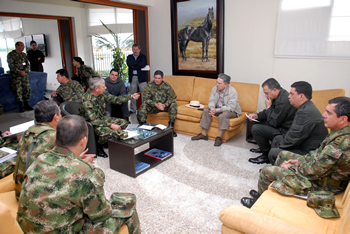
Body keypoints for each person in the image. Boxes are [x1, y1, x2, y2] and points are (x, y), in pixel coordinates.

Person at [17, 115, 140, 233]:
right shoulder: (85, 172)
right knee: (128, 202)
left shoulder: (40, 158)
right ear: (84, 141)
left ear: (55, 136)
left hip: (26, 229)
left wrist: (77, 160)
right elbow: (101, 215)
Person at [241, 97, 350, 208]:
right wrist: (298, 161)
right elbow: (317, 155)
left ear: (343, 119)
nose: (323, 115)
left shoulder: (340, 145)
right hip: (321, 175)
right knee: (282, 154)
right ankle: (267, 191)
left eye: (328, 113)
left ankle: (259, 204)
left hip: (323, 186)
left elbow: (312, 171)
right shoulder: (338, 132)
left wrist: (291, 168)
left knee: (267, 171)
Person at [264, 81, 328, 164]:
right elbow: (294, 133)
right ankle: (276, 164)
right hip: (303, 143)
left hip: (309, 153)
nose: (289, 96)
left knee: (274, 152)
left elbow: (294, 136)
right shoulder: (306, 106)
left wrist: (281, 147)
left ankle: (280, 171)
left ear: (301, 96)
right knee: (277, 139)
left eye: (291, 94)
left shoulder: (305, 112)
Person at [79, 77, 140, 158]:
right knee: (109, 131)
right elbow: (93, 120)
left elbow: (116, 99)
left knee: (124, 123)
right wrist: (110, 125)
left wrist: (131, 96)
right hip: (90, 123)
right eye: (103, 86)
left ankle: (109, 142)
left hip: (101, 118)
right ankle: (98, 146)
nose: (105, 87)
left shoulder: (102, 94)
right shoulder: (86, 100)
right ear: (96, 88)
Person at [12, 100, 61, 199]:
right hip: (35, 200)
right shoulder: (54, 137)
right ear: (55, 117)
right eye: (60, 114)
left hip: (19, 191)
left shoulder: (27, 132)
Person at [247, 78, 296, 164]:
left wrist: (268, 107)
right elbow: (268, 113)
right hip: (278, 124)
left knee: (256, 128)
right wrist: (257, 116)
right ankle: (264, 147)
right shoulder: (277, 95)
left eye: (266, 93)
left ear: (275, 90)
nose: (265, 96)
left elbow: (274, 122)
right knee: (254, 121)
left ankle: (266, 155)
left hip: (283, 130)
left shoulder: (283, 101)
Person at [191, 73, 242, 146]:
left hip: (231, 111)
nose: (217, 84)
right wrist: (212, 108)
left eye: (219, 83)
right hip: (217, 108)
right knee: (206, 110)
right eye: (217, 82)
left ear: (226, 84)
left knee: (223, 115)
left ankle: (219, 137)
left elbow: (230, 107)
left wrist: (217, 110)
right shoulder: (215, 88)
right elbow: (211, 101)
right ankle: (203, 134)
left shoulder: (232, 91)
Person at [137, 70, 178, 137]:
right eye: (155, 78)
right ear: (153, 77)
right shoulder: (149, 85)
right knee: (143, 106)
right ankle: (143, 127)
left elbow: (173, 98)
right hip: (153, 107)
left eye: (159, 78)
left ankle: (171, 129)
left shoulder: (167, 86)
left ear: (162, 78)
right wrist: (155, 104)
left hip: (164, 107)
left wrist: (164, 105)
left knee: (174, 105)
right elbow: (145, 98)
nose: (157, 80)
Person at [7, 41, 33, 112]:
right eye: (21, 45)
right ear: (17, 46)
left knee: (27, 89)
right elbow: (11, 66)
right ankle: (21, 106)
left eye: (23, 46)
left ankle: (26, 104)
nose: (23, 47)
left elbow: (28, 64)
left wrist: (25, 71)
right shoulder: (11, 55)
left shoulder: (24, 55)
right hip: (16, 77)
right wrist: (19, 72)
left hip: (24, 76)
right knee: (19, 91)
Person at [127, 43, 148, 114]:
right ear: (132, 50)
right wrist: (138, 65)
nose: (135, 51)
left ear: (139, 50)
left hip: (142, 77)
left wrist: (134, 65)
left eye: (137, 49)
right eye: (134, 49)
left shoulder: (143, 57)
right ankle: (133, 109)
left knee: (144, 94)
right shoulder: (129, 57)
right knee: (133, 94)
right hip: (133, 77)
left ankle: (144, 109)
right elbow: (129, 64)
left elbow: (143, 64)